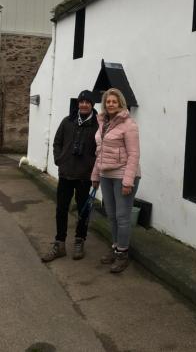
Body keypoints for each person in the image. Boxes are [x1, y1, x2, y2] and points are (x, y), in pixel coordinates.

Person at [41, 90, 98, 262]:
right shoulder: (67, 122)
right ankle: (59, 244)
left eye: (87, 102)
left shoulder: (97, 126)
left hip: (84, 176)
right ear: (78, 104)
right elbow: (57, 142)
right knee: (61, 210)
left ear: (92, 105)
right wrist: (59, 160)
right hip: (66, 174)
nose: (84, 104)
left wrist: (93, 168)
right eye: (81, 101)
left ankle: (79, 241)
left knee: (83, 211)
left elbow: (101, 150)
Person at [91, 88, 140, 273]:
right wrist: (95, 176)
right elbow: (99, 152)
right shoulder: (103, 123)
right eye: (108, 101)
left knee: (122, 217)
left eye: (114, 101)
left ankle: (122, 254)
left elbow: (134, 155)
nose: (110, 104)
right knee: (111, 215)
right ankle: (115, 247)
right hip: (105, 175)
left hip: (122, 176)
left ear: (120, 103)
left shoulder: (129, 125)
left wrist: (128, 181)